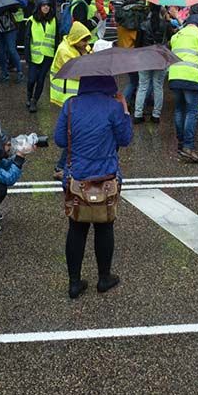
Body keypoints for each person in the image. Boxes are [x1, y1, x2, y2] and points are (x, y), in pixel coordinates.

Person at [54, 76, 133, 298]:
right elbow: (125, 139)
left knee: (76, 229)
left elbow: (60, 139)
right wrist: (124, 110)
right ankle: (104, 278)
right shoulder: (114, 107)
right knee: (104, 227)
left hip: (76, 177)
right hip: (106, 177)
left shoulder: (71, 105)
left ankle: (74, 283)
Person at [169, 12, 198, 163]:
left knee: (179, 110)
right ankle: (188, 146)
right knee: (191, 112)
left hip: (175, 75)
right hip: (191, 77)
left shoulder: (176, 36)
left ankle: (181, 144)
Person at [25, 0, 58, 113]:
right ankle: (29, 96)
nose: (46, 8)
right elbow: (27, 39)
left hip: (48, 55)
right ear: (39, 7)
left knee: (41, 79)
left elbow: (56, 37)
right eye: (43, 6)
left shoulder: (53, 20)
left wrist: (56, 53)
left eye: (48, 6)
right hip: (35, 55)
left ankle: (34, 101)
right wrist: (27, 56)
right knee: (32, 79)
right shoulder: (31, 20)